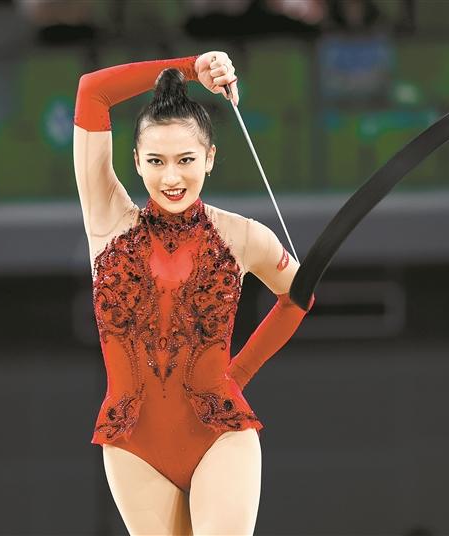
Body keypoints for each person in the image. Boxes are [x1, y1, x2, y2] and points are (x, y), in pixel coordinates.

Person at [73, 51, 315, 535]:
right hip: (131, 444)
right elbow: (92, 91)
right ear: (136, 161)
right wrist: (192, 67)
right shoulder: (108, 221)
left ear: (210, 158)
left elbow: (298, 297)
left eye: (186, 160)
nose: (171, 178)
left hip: (218, 432)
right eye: (156, 161)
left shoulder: (242, 236)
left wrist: (238, 375)